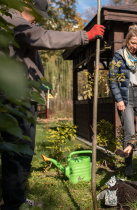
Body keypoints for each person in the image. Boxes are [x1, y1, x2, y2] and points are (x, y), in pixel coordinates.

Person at [1, 1, 105, 209]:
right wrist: (84, 36)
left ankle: (16, 199)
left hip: (24, 99)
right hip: (15, 99)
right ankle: (12, 205)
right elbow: (42, 37)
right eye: (36, 16)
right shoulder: (10, 18)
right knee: (16, 155)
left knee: (23, 154)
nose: (37, 21)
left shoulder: (19, 22)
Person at [108, 24, 137, 177]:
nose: (134, 46)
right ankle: (129, 165)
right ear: (127, 41)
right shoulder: (119, 55)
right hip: (125, 97)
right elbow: (112, 79)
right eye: (132, 43)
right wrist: (119, 99)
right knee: (129, 132)